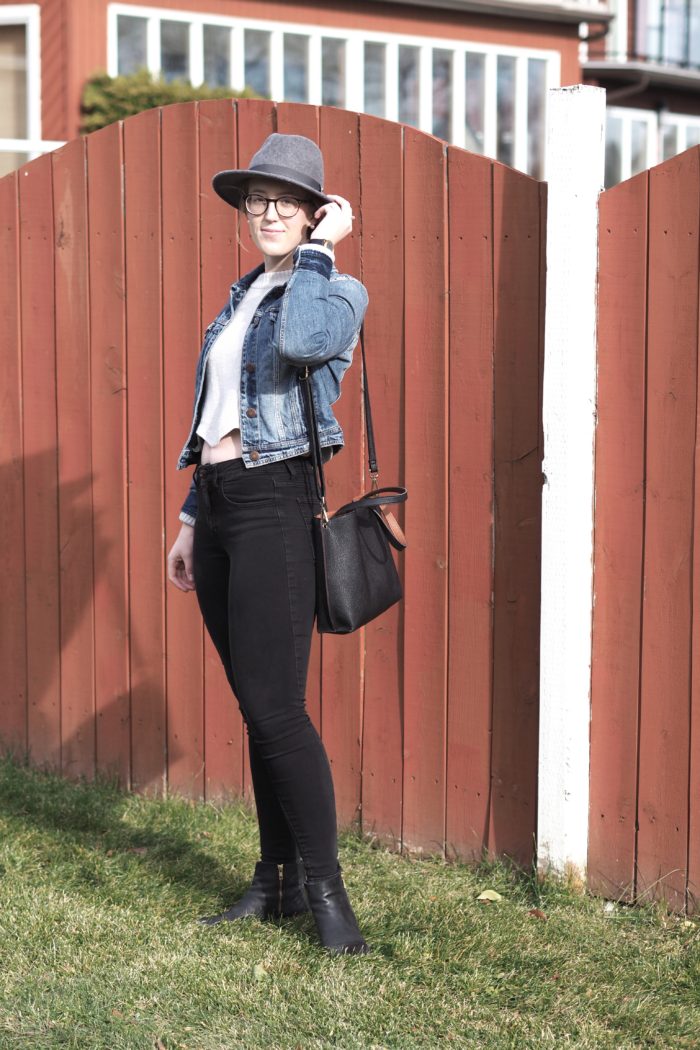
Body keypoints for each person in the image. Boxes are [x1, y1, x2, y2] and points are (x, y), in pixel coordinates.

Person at [166, 133, 370, 955]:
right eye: (258, 200)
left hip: (277, 503)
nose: (270, 212)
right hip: (219, 506)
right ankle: (274, 881)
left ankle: (328, 898)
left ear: (318, 214)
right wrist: (188, 518)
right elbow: (218, 417)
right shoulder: (240, 297)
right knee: (258, 708)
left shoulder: (336, 290)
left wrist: (321, 254)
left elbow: (302, 346)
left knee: (279, 710)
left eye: (289, 201)